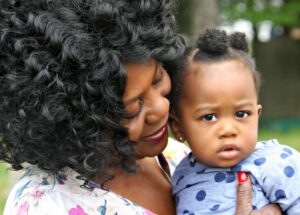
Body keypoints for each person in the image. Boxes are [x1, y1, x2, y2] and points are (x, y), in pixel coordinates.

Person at [0, 0, 281, 214]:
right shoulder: (47, 205)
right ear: (76, 119)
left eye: (158, 78)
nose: (161, 108)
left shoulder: (176, 154)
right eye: (133, 107)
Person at [168, 28, 300, 214]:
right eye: (209, 117)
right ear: (178, 128)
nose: (228, 130)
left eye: (241, 114)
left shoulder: (278, 163)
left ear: (257, 115)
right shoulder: (181, 174)